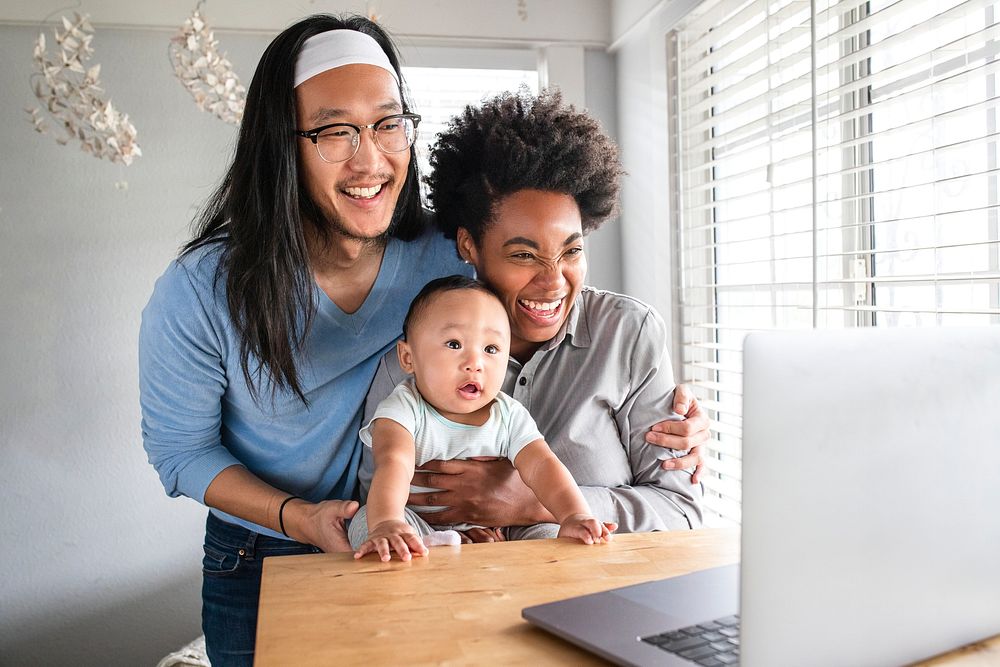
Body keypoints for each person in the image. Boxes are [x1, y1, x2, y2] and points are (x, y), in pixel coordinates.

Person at [139, 13, 706, 667]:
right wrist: (300, 517)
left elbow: (547, 293)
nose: (370, 157)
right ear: (284, 145)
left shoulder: (446, 260)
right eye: (334, 131)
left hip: (412, 542)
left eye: (387, 123)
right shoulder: (202, 288)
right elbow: (180, 452)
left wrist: (676, 425)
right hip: (265, 542)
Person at [362, 89, 707, 542]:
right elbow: (379, 501)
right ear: (469, 245)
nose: (553, 281)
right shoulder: (418, 351)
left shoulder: (628, 335)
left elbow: (682, 510)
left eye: (571, 251)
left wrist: (530, 501)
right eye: (524, 255)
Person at [349, 276, 616, 561]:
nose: (474, 363)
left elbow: (542, 466)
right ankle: (421, 544)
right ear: (408, 358)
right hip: (417, 524)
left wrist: (574, 514)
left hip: (501, 529)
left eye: (491, 349)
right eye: (454, 344)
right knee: (366, 522)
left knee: (551, 535)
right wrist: (388, 522)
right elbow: (394, 461)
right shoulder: (404, 408)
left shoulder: (508, 414)